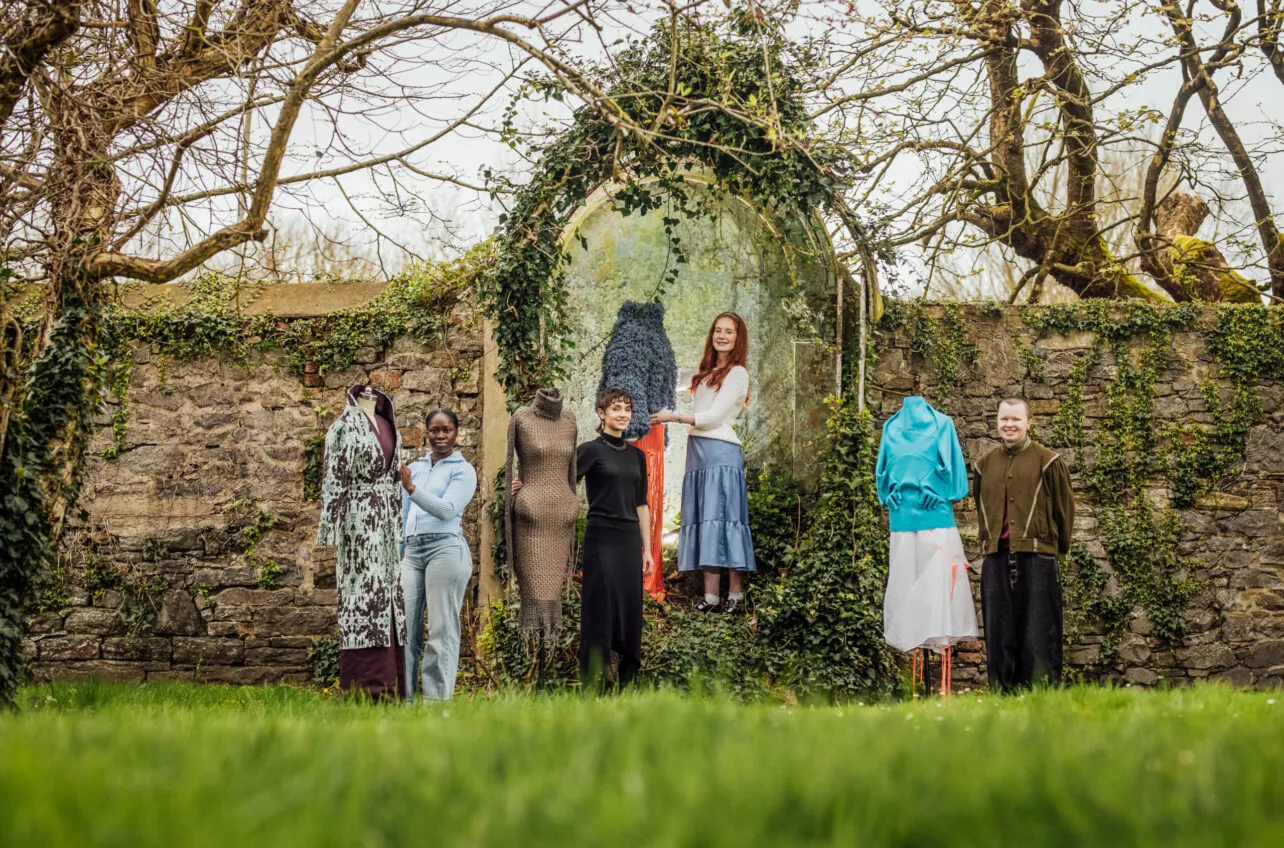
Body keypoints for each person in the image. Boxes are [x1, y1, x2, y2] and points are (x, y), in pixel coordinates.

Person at [651, 312, 755, 613]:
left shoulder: (738, 374)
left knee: (726, 520)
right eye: (718, 331)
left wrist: (675, 417)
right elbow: (671, 380)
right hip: (698, 454)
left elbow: (713, 418)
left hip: (721, 452)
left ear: (738, 339)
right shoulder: (704, 373)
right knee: (706, 519)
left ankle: (734, 595)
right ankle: (710, 597)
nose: (721, 336)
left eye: (729, 332)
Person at [972, 397, 1075, 692]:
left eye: (1016, 419)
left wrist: (1058, 549)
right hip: (996, 558)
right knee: (999, 629)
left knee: (1039, 630)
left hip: (1038, 557)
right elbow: (981, 509)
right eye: (1004, 419)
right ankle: (1002, 693)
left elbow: (1064, 510)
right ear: (997, 422)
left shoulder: (1048, 461)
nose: (1009, 424)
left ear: (1029, 423)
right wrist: (989, 543)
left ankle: (1041, 693)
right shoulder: (984, 464)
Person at [570, 388, 654, 688]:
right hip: (601, 538)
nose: (623, 414)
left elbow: (641, 503)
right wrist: (526, 484)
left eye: (627, 409)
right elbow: (562, 483)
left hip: (630, 541)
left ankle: (626, 680)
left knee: (629, 607)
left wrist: (647, 550)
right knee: (601, 607)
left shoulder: (637, 456)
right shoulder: (590, 450)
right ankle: (595, 682)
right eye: (616, 408)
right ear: (601, 414)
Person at [399, 409, 478, 701]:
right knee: (405, 629)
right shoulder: (416, 468)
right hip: (413, 552)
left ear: (456, 433)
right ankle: (403, 702)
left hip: (445, 549)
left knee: (441, 630)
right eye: (435, 430)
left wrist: (411, 488)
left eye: (446, 430)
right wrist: (400, 552)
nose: (440, 436)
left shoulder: (463, 470)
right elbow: (404, 514)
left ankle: (436, 705)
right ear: (426, 432)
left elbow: (448, 510)